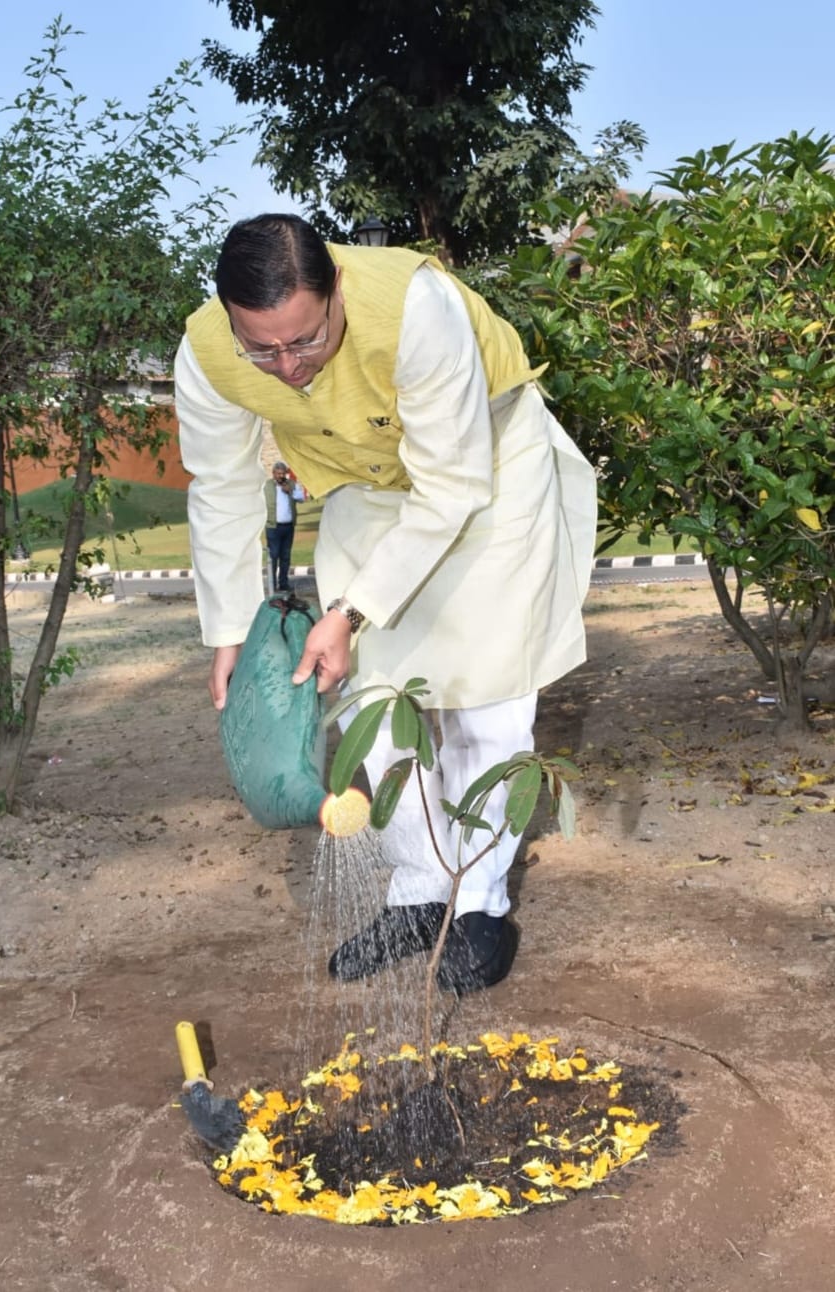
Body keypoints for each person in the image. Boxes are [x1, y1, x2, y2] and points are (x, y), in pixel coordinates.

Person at [175, 213, 597, 993]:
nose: (287, 367)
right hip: (370, 488)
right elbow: (222, 486)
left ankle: (477, 899)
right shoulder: (206, 350)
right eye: (261, 348)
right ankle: (415, 890)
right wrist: (229, 627)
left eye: (304, 340)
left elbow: (452, 484)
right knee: (373, 697)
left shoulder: (414, 306)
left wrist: (350, 609)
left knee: (483, 697)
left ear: (336, 289)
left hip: (489, 475)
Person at [264, 460, 302, 591]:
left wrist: (290, 492)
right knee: (273, 555)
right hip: (273, 527)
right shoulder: (267, 486)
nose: (280, 476)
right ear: (273, 473)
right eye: (278, 473)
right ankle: (272, 584)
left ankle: (283, 583)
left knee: (285, 556)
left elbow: (301, 498)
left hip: (288, 526)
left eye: (282, 473)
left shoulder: (291, 484)